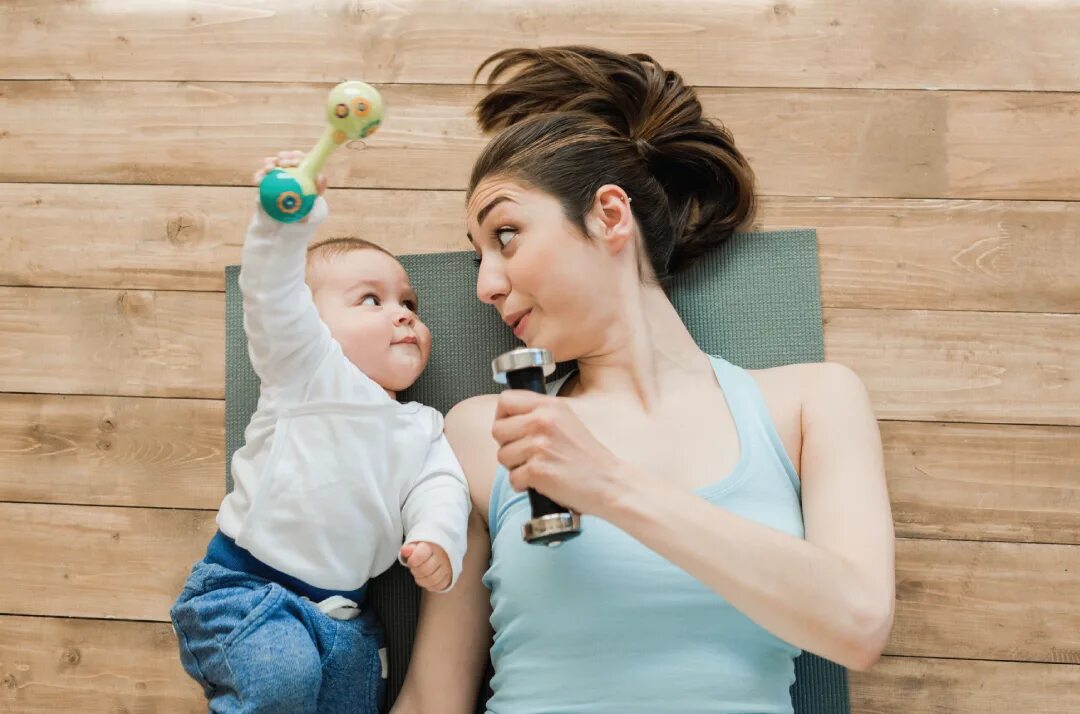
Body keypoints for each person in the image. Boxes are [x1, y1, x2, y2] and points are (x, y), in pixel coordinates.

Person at [391, 47, 895, 714]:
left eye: (506, 235)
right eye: (477, 254)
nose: (486, 284)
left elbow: (858, 625)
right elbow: (433, 699)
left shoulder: (810, 403)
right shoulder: (483, 432)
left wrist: (608, 486)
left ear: (608, 215)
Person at [169, 151, 471, 713]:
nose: (404, 313)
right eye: (371, 300)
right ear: (314, 326)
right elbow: (271, 296)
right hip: (251, 596)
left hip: (349, 621)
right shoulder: (306, 370)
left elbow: (443, 488)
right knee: (281, 682)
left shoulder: (423, 426)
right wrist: (283, 224)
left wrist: (438, 539)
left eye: (409, 303)